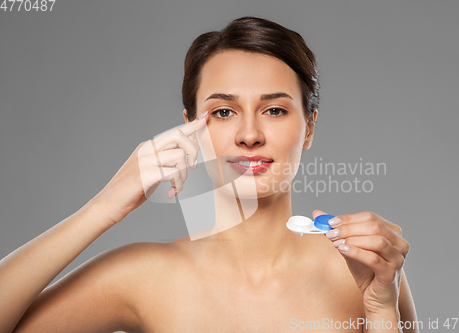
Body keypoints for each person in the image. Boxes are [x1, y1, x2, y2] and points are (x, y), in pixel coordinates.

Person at [0, 16, 418, 332]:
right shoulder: (143, 277)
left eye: (274, 110)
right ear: (189, 128)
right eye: (222, 112)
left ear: (309, 127)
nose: (250, 134)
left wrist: (382, 309)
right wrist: (103, 208)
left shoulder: (361, 269)